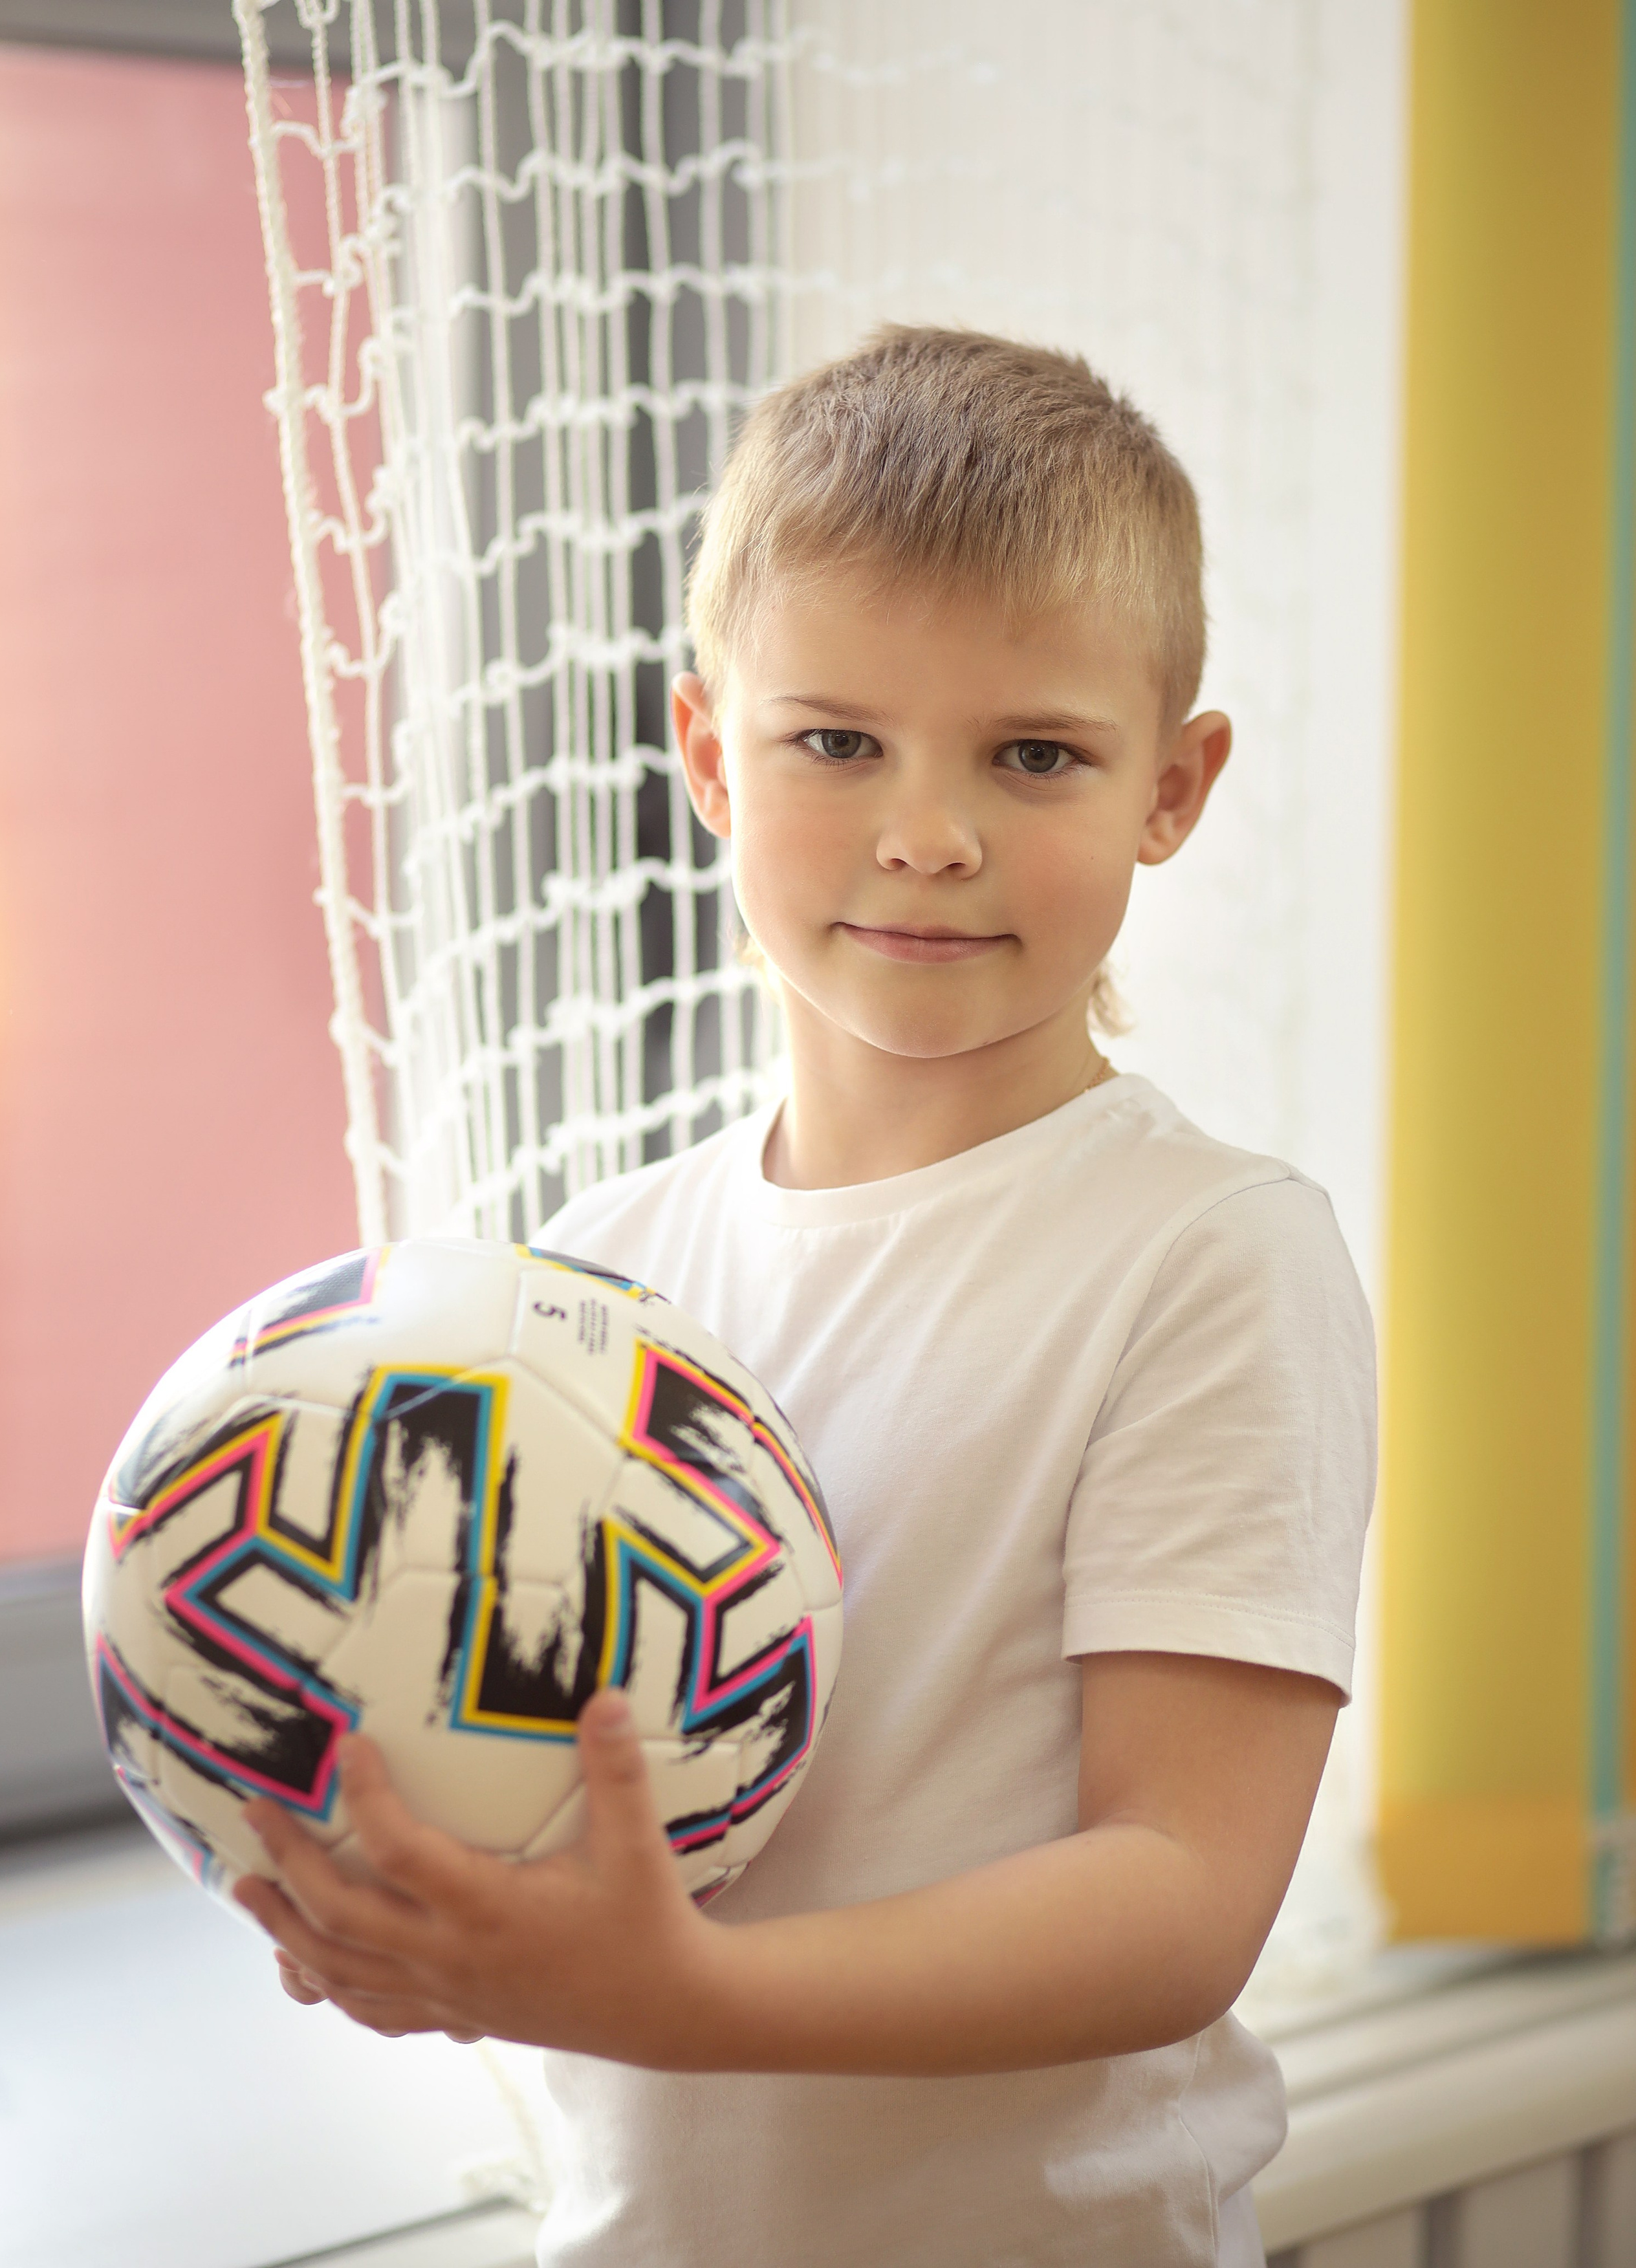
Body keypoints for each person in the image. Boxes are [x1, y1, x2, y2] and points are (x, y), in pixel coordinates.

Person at [235, 326, 1376, 2268]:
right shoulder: (592, 1280)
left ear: (1173, 788)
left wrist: (672, 1999)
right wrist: (411, 1893)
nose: (929, 832)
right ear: (706, 754)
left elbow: (1181, 1890)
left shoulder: (1208, 1253)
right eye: (837, 740)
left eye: (1035, 753)